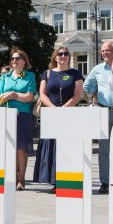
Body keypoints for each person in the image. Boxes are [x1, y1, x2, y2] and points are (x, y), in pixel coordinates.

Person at [33, 46, 83, 192]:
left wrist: (64, 109)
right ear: (55, 57)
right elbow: (42, 94)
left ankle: (66, 180)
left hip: (69, 115)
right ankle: (54, 181)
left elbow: (78, 94)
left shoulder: (76, 73)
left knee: (66, 147)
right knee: (52, 147)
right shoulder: (47, 73)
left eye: (66, 54)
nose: (63, 56)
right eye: (60, 54)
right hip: (51, 115)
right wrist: (54, 109)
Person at [0, 48, 36, 191]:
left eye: (17, 58)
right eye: (12, 58)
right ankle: (13, 176)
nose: (14, 61)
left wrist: (13, 95)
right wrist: (10, 96)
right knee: (10, 147)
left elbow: (29, 97)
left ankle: (22, 178)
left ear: (24, 62)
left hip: (23, 115)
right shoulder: (5, 77)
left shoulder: (29, 76)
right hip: (7, 115)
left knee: (21, 148)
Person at [83, 41, 113, 194]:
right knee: (104, 150)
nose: (104, 53)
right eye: (103, 51)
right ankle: (105, 182)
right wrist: (92, 88)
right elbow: (87, 87)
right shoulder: (97, 69)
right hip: (104, 112)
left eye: (108, 50)